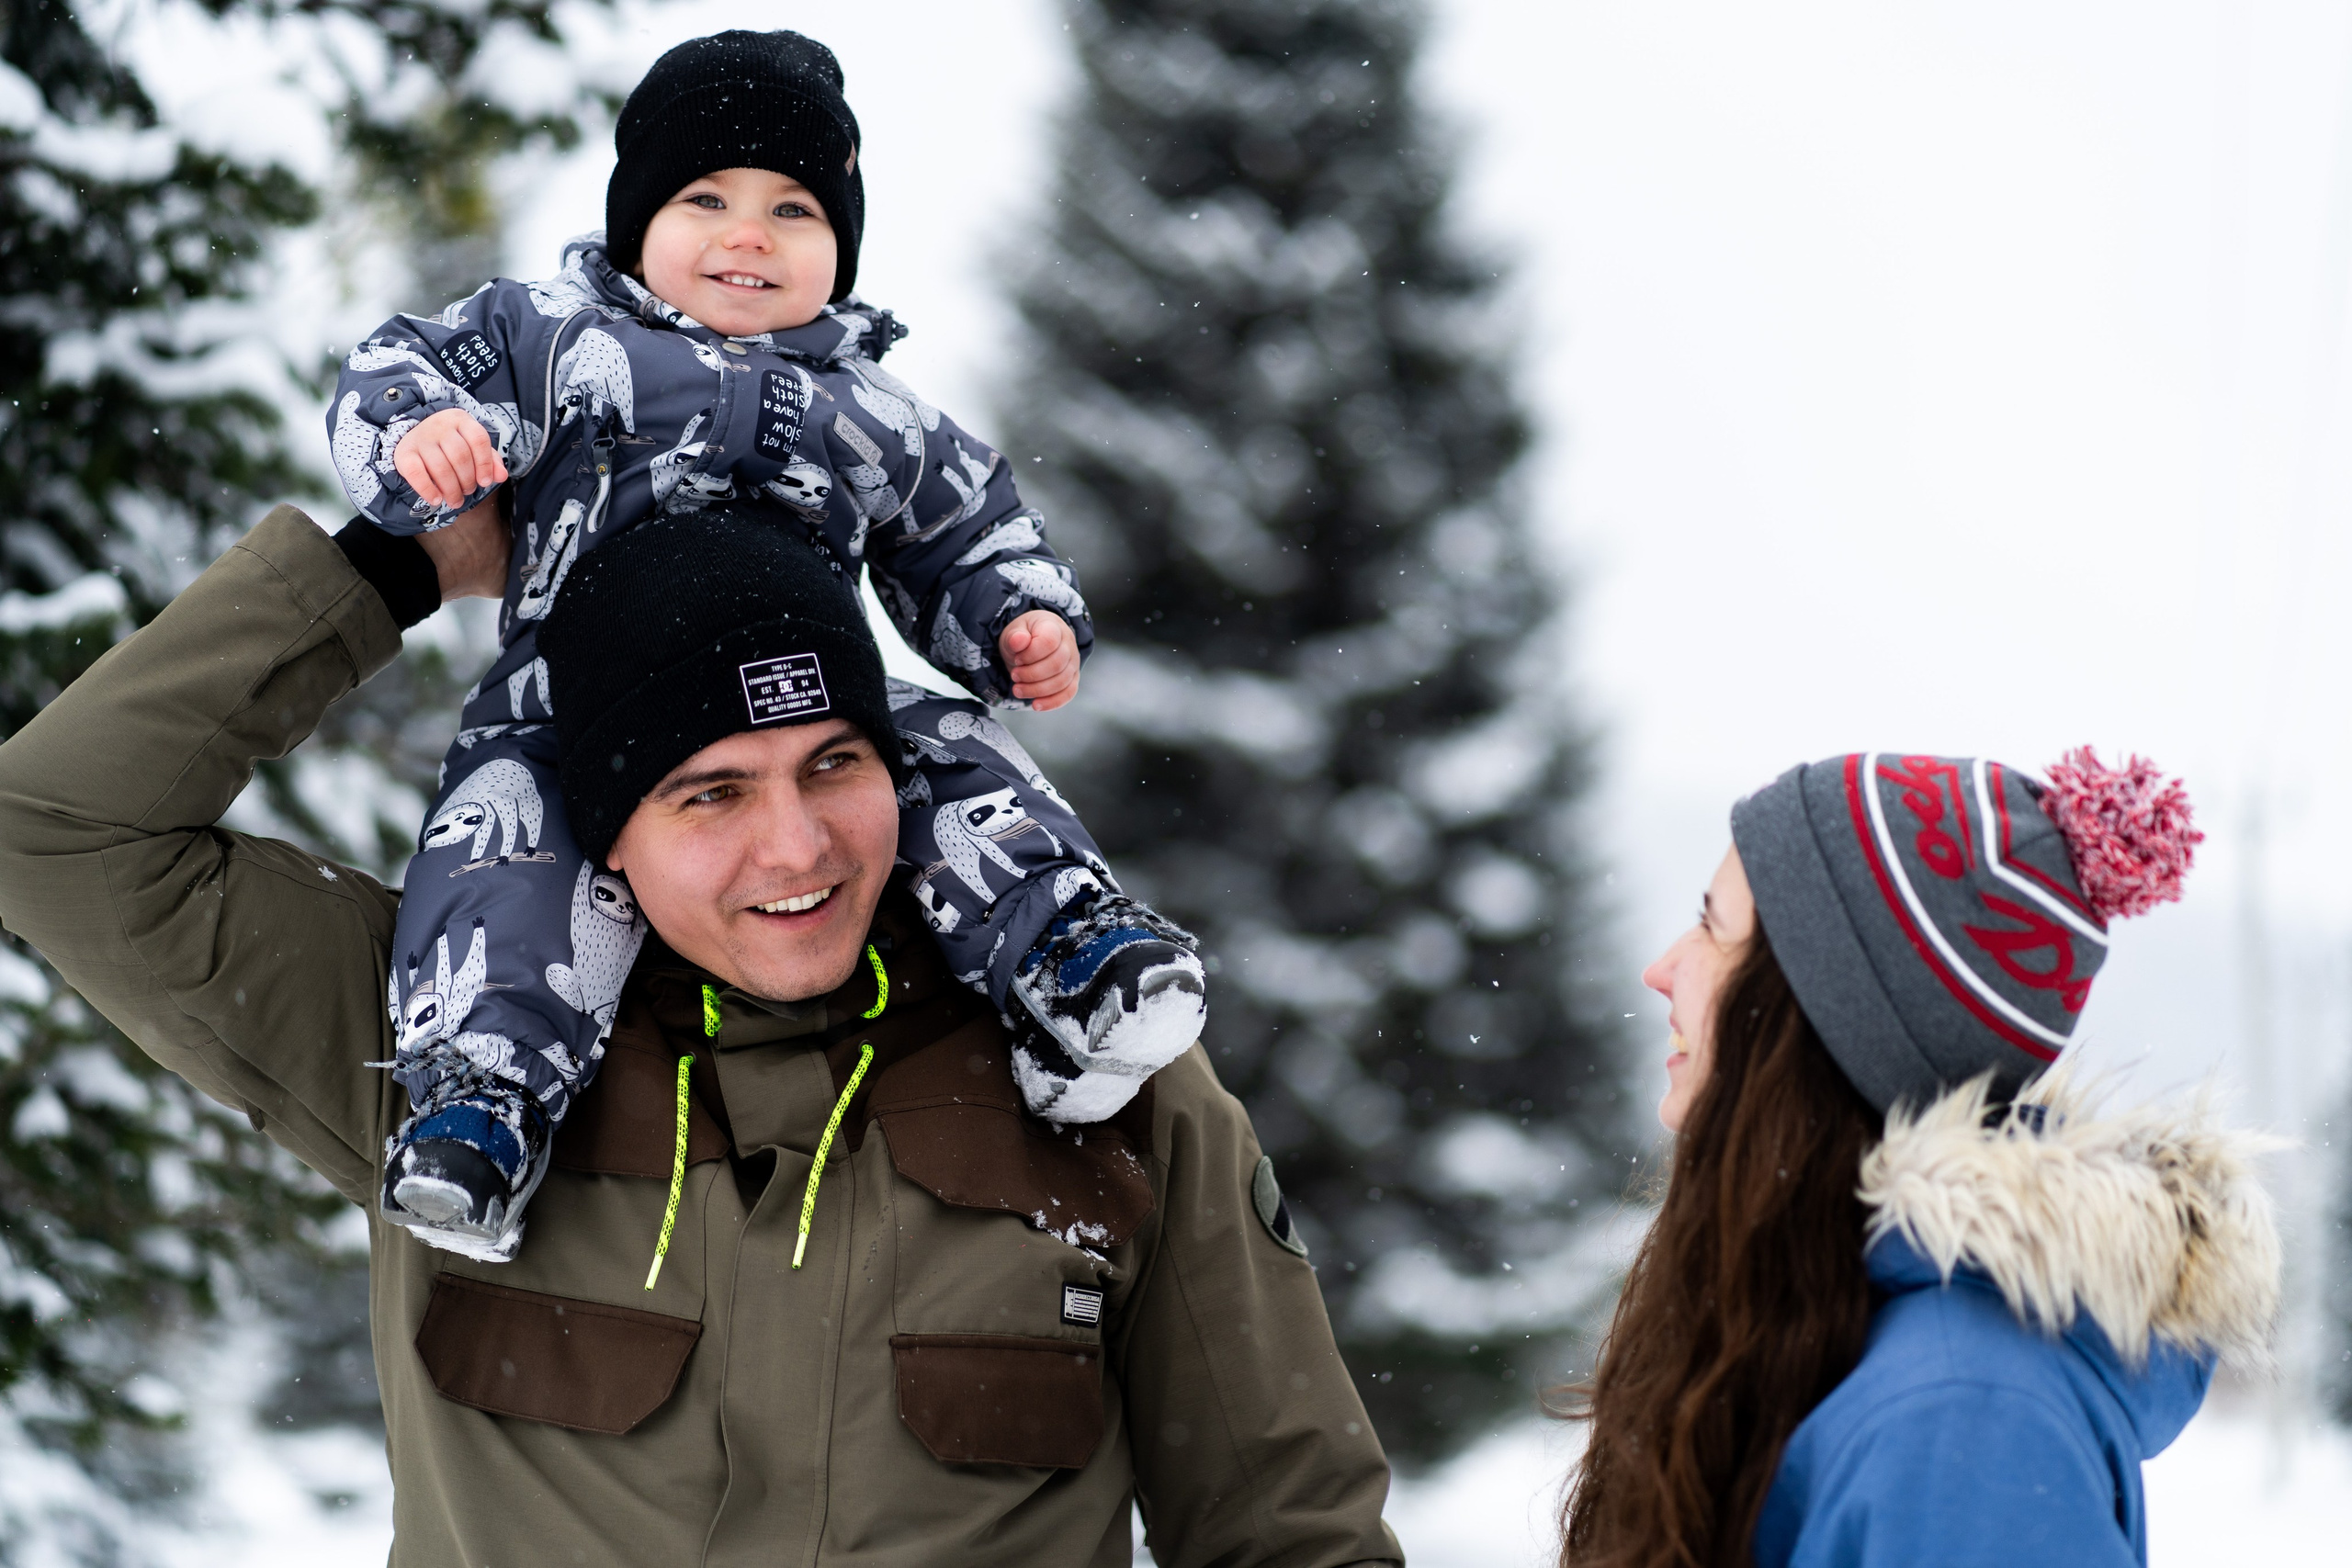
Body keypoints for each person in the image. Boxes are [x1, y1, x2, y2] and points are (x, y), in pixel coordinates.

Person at [0, 497, 1402, 1568]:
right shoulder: (443, 1030)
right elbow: (52, 827)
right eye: (711, 791)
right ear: (603, 825)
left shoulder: (1095, 1067)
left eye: (834, 762)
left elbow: (1292, 1535)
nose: (797, 845)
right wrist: (389, 569)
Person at [326, 28, 1204, 1260]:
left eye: (793, 210)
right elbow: (396, 364)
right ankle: (484, 1099)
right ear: (636, 221)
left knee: (950, 752)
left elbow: (969, 522)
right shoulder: (553, 340)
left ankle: (1068, 958)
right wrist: (419, 436)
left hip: (808, 692)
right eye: (706, 199)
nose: (748, 235)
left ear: (839, 245)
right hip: (574, 690)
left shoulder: (871, 405)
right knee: (508, 844)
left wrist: (1017, 616)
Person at [1559, 750, 2280, 1568]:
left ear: (1821, 1011)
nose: (1661, 968)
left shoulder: (1962, 1416)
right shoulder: (1827, 1320)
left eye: (1713, 925)